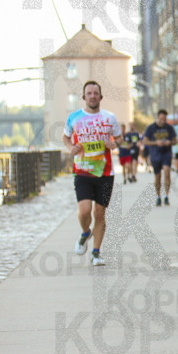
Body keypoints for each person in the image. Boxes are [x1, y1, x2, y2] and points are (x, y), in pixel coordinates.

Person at [63, 81, 122, 266]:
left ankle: (96, 253)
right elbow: (65, 136)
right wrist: (71, 146)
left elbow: (119, 137)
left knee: (100, 212)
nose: (93, 96)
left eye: (96, 93)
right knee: (84, 211)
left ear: (101, 97)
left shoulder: (109, 117)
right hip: (82, 171)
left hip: (105, 173)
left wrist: (115, 144)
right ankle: (85, 233)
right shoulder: (74, 117)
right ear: (84, 97)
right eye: (89, 93)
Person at [143, 110, 176, 206]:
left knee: (167, 172)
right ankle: (158, 196)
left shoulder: (169, 128)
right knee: (157, 176)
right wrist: (156, 142)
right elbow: (145, 141)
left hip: (166, 153)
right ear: (158, 118)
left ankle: (166, 195)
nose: (163, 121)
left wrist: (169, 142)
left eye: (164, 119)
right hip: (155, 154)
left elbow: (174, 141)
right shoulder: (151, 128)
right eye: (161, 119)